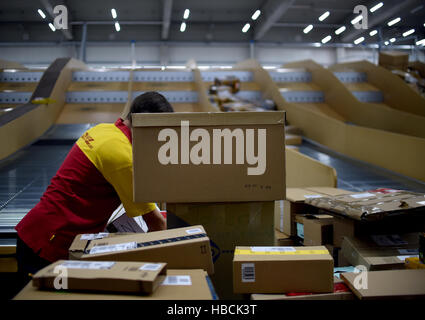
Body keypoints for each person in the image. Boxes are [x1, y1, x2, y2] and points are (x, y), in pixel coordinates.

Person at [15, 91, 174, 283]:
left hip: (39, 230)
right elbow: (157, 224)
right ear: (147, 127)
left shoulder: (103, 131)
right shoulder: (122, 157)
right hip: (50, 244)